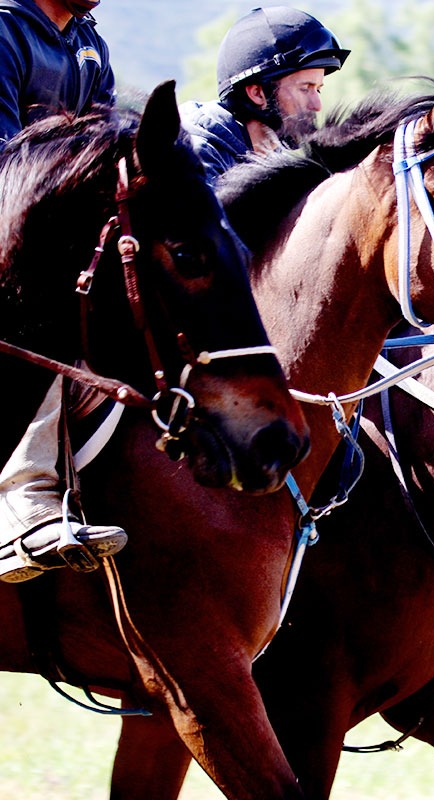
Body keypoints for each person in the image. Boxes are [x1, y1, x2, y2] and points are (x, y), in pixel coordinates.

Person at [0, 0, 126, 583]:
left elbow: (103, 146)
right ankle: (25, 503)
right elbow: (6, 164)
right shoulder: (5, 30)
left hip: (57, 233)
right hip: (13, 236)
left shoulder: (89, 45)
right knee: (46, 313)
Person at [180, 6, 349, 186]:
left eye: (318, 89)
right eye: (305, 89)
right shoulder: (197, 160)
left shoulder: (276, 165)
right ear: (258, 94)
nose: (317, 105)